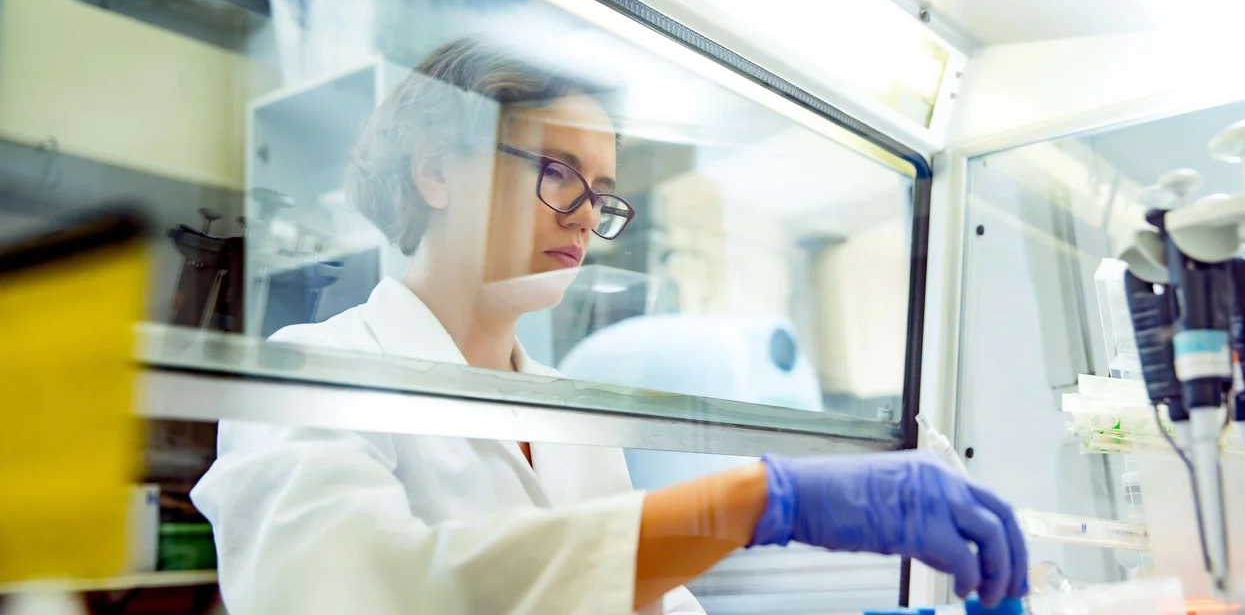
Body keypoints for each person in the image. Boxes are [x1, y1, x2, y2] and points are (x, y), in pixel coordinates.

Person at [192, 37, 1027, 615]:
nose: (587, 218)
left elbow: (649, 601)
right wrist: (752, 501)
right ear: (439, 169)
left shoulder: (566, 412)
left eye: (603, 193)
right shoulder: (311, 375)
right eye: (559, 173)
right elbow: (364, 596)